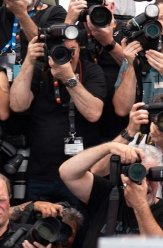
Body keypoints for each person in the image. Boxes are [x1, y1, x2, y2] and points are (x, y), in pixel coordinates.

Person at [10, 22, 105, 204]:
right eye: (60, 51)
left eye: (72, 50)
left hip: (80, 175)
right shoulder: (40, 70)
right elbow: (17, 105)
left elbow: (93, 113)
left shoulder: (91, 70)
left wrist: (68, 78)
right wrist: (30, 60)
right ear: (48, 50)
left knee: (80, 226)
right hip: (41, 173)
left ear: (80, 48)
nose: (67, 56)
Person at [95, 93, 163, 216]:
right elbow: (97, 170)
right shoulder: (137, 140)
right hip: (133, 215)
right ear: (153, 121)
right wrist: (129, 131)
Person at [58, 142, 163, 246]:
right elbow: (68, 173)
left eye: (151, 176)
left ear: (161, 180)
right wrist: (109, 147)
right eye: (137, 174)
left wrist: (139, 204)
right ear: (124, 176)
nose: (144, 183)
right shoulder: (107, 194)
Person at [67, 0, 127, 142]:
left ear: (112, 7)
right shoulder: (75, 33)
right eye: (88, 8)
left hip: (119, 122)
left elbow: (137, 67)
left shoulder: (127, 31)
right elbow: (55, 58)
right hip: (83, 120)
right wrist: (68, 22)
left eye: (101, 7)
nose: (95, 13)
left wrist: (108, 42)